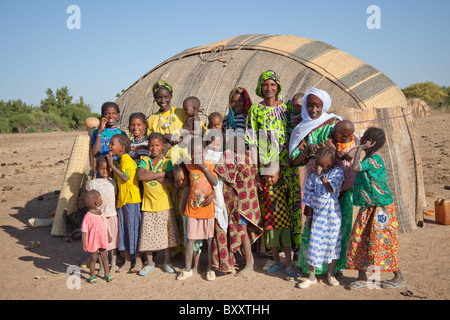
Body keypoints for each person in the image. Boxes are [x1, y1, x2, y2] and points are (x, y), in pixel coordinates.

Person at [289, 88, 353, 277]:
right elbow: (293, 161)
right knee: (314, 227)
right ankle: (311, 268)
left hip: (337, 184)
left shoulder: (335, 123)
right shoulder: (302, 128)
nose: (314, 110)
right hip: (315, 186)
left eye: (318, 106)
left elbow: (348, 147)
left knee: (339, 226)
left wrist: (331, 148)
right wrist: (308, 149)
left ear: (324, 105)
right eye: (310, 105)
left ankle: (336, 268)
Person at [346, 127, 406, 290]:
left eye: (366, 138)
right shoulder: (369, 157)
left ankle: (398, 276)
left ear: (373, 143)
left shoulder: (374, 160)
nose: (363, 140)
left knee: (382, 242)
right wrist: (359, 148)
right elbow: (352, 159)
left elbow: (356, 167)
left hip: (382, 209)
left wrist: (360, 148)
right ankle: (362, 276)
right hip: (369, 207)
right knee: (359, 238)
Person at [213, 134, 263, 277]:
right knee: (242, 232)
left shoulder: (237, 160)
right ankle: (245, 260)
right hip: (247, 203)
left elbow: (220, 171)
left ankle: (249, 263)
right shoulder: (247, 159)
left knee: (242, 232)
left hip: (242, 204)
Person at [298, 146, 344, 289]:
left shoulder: (337, 172)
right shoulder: (313, 177)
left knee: (332, 243)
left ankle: (331, 274)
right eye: (319, 165)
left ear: (331, 163)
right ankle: (311, 277)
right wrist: (310, 217)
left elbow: (331, 189)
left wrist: (321, 176)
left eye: (324, 166)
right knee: (315, 244)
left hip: (332, 215)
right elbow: (309, 197)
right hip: (318, 216)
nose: (321, 167)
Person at [137, 132, 180, 275]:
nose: (154, 148)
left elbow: (170, 182)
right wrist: (159, 174)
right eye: (151, 145)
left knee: (166, 235)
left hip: (163, 204)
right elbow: (141, 176)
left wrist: (153, 175)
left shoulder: (166, 163)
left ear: (162, 146)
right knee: (148, 235)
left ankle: (167, 261)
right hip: (148, 204)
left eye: (157, 145)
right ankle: (149, 263)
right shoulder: (144, 160)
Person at [177, 141, 218, 281]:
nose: (197, 156)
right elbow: (178, 174)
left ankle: (210, 268)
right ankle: (188, 269)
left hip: (207, 209)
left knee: (210, 240)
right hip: (193, 209)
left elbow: (215, 182)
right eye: (194, 153)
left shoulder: (210, 164)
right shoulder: (188, 165)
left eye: (200, 153)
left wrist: (204, 167)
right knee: (190, 239)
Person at [107, 134, 143, 273]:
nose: (109, 146)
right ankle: (128, 260)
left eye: (112, 144)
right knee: (124, 230)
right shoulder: (119, 161)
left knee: (133, 230)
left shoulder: (127, 160)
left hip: (131, 201)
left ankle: (138, 260)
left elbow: (125, 177)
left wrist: (111, 165)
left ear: (121, 148)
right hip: (123, 201)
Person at [259, 162, 294, 276]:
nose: (269, 179)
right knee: (274, 245)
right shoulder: (264, 187)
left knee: (287, 244)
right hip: (271, 223)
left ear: (279, 175)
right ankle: (277, 263)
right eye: (266, 177)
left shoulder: (283, 185)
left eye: (272, 177)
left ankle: (289, 264)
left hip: (284, 221)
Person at [88, 155, 119, 273]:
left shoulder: (113, 182)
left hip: (112, 215)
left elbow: (115, 197)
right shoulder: (94, 183)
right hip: (99, 218)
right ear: (97, 169)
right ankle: (101, 265)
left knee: (113, 241)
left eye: (107, 168)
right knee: (100, 242)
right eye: (102, 169)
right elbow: (90, 201)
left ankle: (114, 263)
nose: (105, 171)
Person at [146, 80, 188, 164]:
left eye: (166, 97)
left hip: (183, 159)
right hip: (162, 161)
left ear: (171, 96)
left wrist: (180, 139)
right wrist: (164, 136)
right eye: (159, 97)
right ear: (155, 97)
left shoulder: (181, 113)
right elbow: (150, 140)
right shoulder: (151, 119)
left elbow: (195, 130)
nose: (163, 100)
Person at [172, 163, 203, 274]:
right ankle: (190, 265)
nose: (180, 182)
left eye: (182, 179)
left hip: (192, 218)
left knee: (195, 244)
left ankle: (196, 266)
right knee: (189, 243)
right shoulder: (185, 187)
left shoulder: (190, 188)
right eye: (178, 180)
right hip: (186, 219)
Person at [81, 190, 115, 284]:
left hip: (102, 239)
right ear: (95, 202)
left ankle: (107, 274)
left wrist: (108, 235)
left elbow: (105, 225)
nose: (101, 199)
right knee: (93, 257)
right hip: (93, 241)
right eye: (100, 197)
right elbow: (84, 231)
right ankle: (92, 275)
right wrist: (84, 242)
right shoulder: (88, 216)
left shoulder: (101, 212)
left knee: (104, 256)